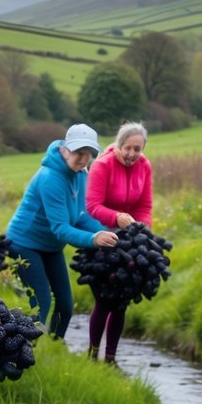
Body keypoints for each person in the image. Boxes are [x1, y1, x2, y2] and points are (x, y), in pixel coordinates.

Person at [7, 123, 119, 339]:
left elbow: (80, 216)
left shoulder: (80, 173)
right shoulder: (50, 178)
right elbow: (61, 229)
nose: (83, 159)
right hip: (24, 243)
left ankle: (55, 346)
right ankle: (27, 351)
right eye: (79, 153)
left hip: (50, 246)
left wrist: (109, 232)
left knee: (66, 306)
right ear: (65, 149)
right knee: (41, 302)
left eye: (88, 154)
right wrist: (95, 238)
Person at [85, 121, 153, 365]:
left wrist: (143, 229)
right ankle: (92, 355)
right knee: (104, 300)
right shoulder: (102, 165)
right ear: (119, 145)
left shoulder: (145, 167)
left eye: (138, 149)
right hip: (100, 236)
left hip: (129, 240)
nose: (132, 154)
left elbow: (144, 206)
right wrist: (116, 218)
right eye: (128, 148)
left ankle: (111, 359)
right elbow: (92, 205)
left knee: (122, 302)